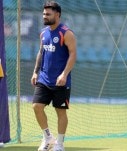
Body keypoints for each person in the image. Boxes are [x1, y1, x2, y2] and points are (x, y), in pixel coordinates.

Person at [31, 1, 76, 151]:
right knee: (36, 106)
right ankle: (48, 138)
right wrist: (35, 72)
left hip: (61, 81)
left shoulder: (66, 33)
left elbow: (73, 55)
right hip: (44, 78)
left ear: (57, 15)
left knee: (60, 112)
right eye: (44, 14)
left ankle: (60, 144)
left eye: (48, 14)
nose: (45, 16)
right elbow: (40, 52)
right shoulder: (43, 33)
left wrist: (64, 74)